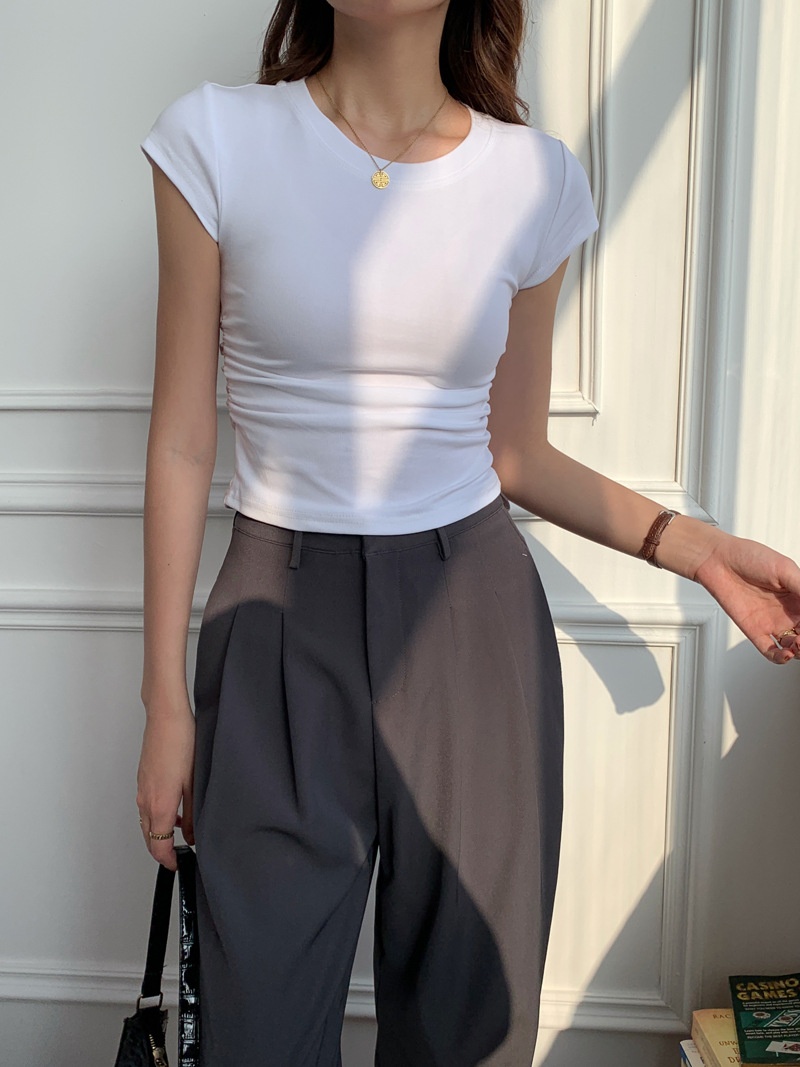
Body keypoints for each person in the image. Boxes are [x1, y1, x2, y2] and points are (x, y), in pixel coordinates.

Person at [135, 0, 800, 1063]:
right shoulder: (214, 139)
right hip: (273, 616)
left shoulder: (534, 179)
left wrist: (697, 547)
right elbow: (180, 442)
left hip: (472, 621)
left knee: (467, 1030)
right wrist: (165, 701)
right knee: (255, 1027)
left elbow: (515, 451)